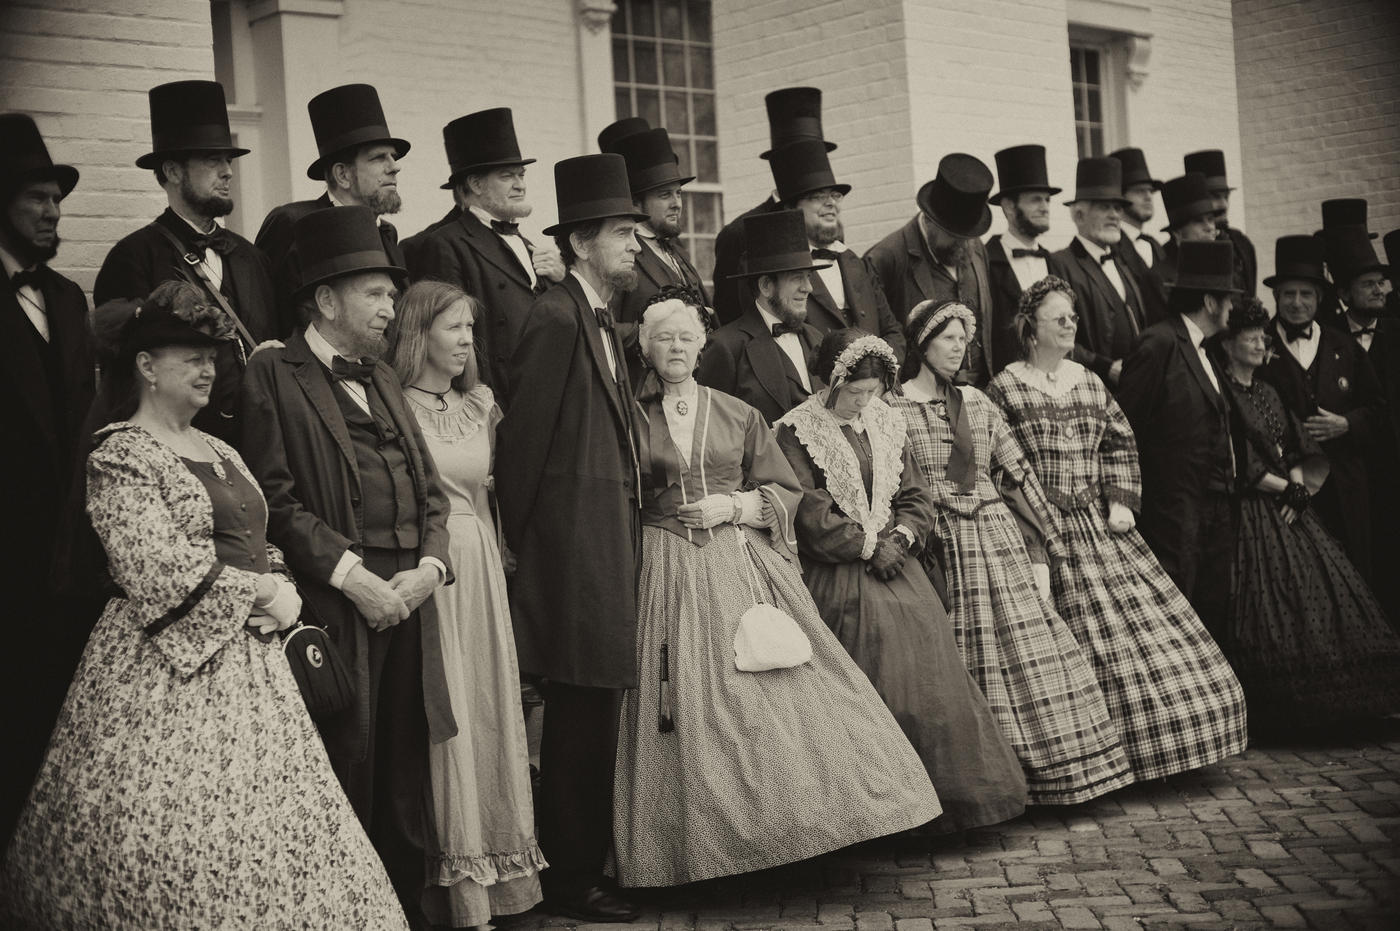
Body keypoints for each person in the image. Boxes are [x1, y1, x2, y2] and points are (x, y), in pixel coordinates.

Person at [0, 281, 408, 930]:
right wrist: (260, 591)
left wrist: (281, 579)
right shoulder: (121, 454)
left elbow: (256, 534)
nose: (207, 368)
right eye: (190, 354)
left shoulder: (221, 450)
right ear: (145, 365)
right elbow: (155, 567)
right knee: (177, 836)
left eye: (213, 356)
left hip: (256, 668)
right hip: (162, 671)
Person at [613, 290, 942, 886]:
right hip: (663, 565)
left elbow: (787, 490)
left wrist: (737, 505)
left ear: (702, 345)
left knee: (769, 688)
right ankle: (700, 846)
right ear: (644, 348)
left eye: (687, 337)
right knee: (682, 697)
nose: (677, 348)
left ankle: (799, 827)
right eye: (664, 338)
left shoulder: (738, 413)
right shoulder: (627, 416)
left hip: (738, 560)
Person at [241, 206, 456, 927]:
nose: (390, 307)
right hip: (340, 604)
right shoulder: (275, 372)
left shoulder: (386, 377)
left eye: (393, 295)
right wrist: (351, 578)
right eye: (375, 292)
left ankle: (408, 915)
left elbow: (431, 489)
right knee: (347, 767)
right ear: (327, 299)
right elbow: (274, 495)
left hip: (410, 595)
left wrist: (430, 567)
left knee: (407, 772)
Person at [986, 277, 1248, 781]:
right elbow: (1006, 466)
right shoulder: (1004, 388)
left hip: (1098, 523)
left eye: (1073, 317)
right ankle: (1089, 754)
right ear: (1030, 328)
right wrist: (1039, 522)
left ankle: (1157, 748)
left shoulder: (1087, 380)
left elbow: (1120, 441)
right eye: (1058, 318)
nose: (1070, 325)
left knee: (1147, 631)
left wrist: (1121, 500)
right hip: (1041, 528)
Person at [775, 330, 1028, 834]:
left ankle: (948, 802)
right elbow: (808, 508)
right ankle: (876, 812)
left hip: (898, 565)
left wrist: (902, 539)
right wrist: (866, 545)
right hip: (837, 573)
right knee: (873, 661)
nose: (863, 402)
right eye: (854, 394)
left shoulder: (886, 422)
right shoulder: (795, 431)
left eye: (871, 393)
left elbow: (915, 494)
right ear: (829, 382)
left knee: (931, 669)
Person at [888, 301, 1133, 804]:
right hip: (941, 543)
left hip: (995, 538)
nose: (959, 348)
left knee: (1034, 653)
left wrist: (1049, 539)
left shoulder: (977, 402)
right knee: (958, 654)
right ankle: (984, 778)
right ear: (921, 344)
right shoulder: (892, 410)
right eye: (947, 338)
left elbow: (1019, 476)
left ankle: (1051, 773)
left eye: (963, 339)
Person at [494, 153, 645, 923]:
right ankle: (571, 876)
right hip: (569, 556)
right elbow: (522, 448)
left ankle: (586, 862)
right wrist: (518, 554)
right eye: (623, 232)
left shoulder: (601, 318)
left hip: (606, 549)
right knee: (579, 721)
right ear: (582, 242)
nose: (635, 246)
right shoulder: (554, 317)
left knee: (595, 716)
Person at [386, 281, 544, 927]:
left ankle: (500, 874)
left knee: (485, 700)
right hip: (428, 565)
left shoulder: (480, 404)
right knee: (444, 706)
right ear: (419, 331)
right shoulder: (390, 404)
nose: (465, 341)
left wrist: (502, 565)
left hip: (478, 563)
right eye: (454, 327)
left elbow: (487, 500)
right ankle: (452, 888)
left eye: (471, 330)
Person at [1214, 297, 1400, 731]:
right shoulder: (1221, 392)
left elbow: (1294, 443)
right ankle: (1280, 711)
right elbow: (1236, 459)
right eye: (1252, 338)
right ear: (1228, 344)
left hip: (1291, 504)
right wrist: (1288, 488)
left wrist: (1298, 489)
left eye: (1264, 337)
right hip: (1252, 510)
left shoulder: (1267, 390)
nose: (1262, 345)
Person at [0, 113, 96, 844]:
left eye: (56, 197)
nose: (52, 210)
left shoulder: (68, 298)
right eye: (35, 196)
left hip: (68, 555)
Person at [93, 79, 278, 444]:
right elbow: (127, 372)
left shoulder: (251, 256)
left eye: (228, 160)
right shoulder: (133, 256)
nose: (227, 171)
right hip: (178, 445)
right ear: (174, 171)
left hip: (259, 444)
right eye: (212, 160)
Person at [401, 108, 565, 405]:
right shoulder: (445, 244)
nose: (521, 185)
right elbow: (448, 339)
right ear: (476, 184)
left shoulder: (528, 245)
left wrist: (561, 280)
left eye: (521, 175)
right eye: (507, 176)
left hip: (544, 397)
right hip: (494, 405)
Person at [1117, 240, 1239, 636]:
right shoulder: (1160, 343)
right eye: (1228, 299)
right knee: (1179, 613)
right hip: (1172, 512)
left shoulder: (1207, 351)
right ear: (1209, 301)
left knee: (1214, 606)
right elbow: (1126, 428)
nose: (1233, 309)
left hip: (1213, 506)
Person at [1259, 233, 1383, 579]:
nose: (1297, 303)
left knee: (1356, 576)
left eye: (1306, 294)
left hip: (1346, 487)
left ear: (1320, 298)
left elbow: (1378, 408)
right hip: (1288, 493)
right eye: (1288, 294)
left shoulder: (1345, 347)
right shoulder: (1257, 348)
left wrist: (1348, 424)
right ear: (1276, 296)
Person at [255, 84, 410, 336]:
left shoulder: (387, 233)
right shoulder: (295, 223)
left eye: (393, 157)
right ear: (343, 174)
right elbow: (268, 315)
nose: (394, 167)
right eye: (378, 158)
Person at [765, 139, 905, 356]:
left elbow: (892, 331)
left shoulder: (856, 262)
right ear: (792, 208)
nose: (831, 203)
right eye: (818, 196)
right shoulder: (777, 271)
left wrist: (880, 371)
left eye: (835, 195)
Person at [865, 153, 996, 381]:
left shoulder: (976, 247)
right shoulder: (885, 258)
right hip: (919, 397)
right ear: (929, 219)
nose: (965, 243)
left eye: (969, 235)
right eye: (954, 235)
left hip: (980, 392)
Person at [712, 87, 835, 324]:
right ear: (780, 164)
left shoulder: (824, 224)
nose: (813, 167)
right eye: (802, 157)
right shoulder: (740, 232)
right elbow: (729, 316)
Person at [697, 209, 828, 424]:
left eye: (808, 277)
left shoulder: (817, 338)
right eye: (797, 278)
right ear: (766, 286)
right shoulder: (726, 347)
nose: (809, 288)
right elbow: (713, 430)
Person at [1048, 156, 1149, 389]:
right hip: (1093, 388)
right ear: (1079, 215)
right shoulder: (1060, 263)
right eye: (1105, 207)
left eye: (1117, 207)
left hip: (1137, 387)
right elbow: (1056, 335)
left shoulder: (1123, 261)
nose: (1115, 215)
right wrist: (1105, 367)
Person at [608, 128, 712, 338]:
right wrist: (656, 334)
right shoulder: (622, 253)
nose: (677, 204)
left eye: (678, 194)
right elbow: (605, 327)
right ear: (636, 203)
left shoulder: (677, 251)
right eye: (665, 195)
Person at [982, 145, 1061, 378]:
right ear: (1008, 206)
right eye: (1036, 200)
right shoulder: (985, 262)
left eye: (1047, 200)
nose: (1045, 207)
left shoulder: (1054, 262)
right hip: (1007, 381)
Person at [1108, 147, 1169, 324]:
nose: (1148, 197)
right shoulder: (1111, 247)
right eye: (1139, 191)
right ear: (1121, 197)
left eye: (1150, 191)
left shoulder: (1155, 245)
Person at [1183, 149, 1256, 296]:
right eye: (1215, 197)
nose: (1223, 205)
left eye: (1226, 197)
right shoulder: (1181, 251)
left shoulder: (1242, 243)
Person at [1156, 173, 1221, 289]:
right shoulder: (1161, 278)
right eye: (1199, 221)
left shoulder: (1219, 269)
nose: (1209, 227)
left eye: (1211, 220)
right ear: (1178, 234)